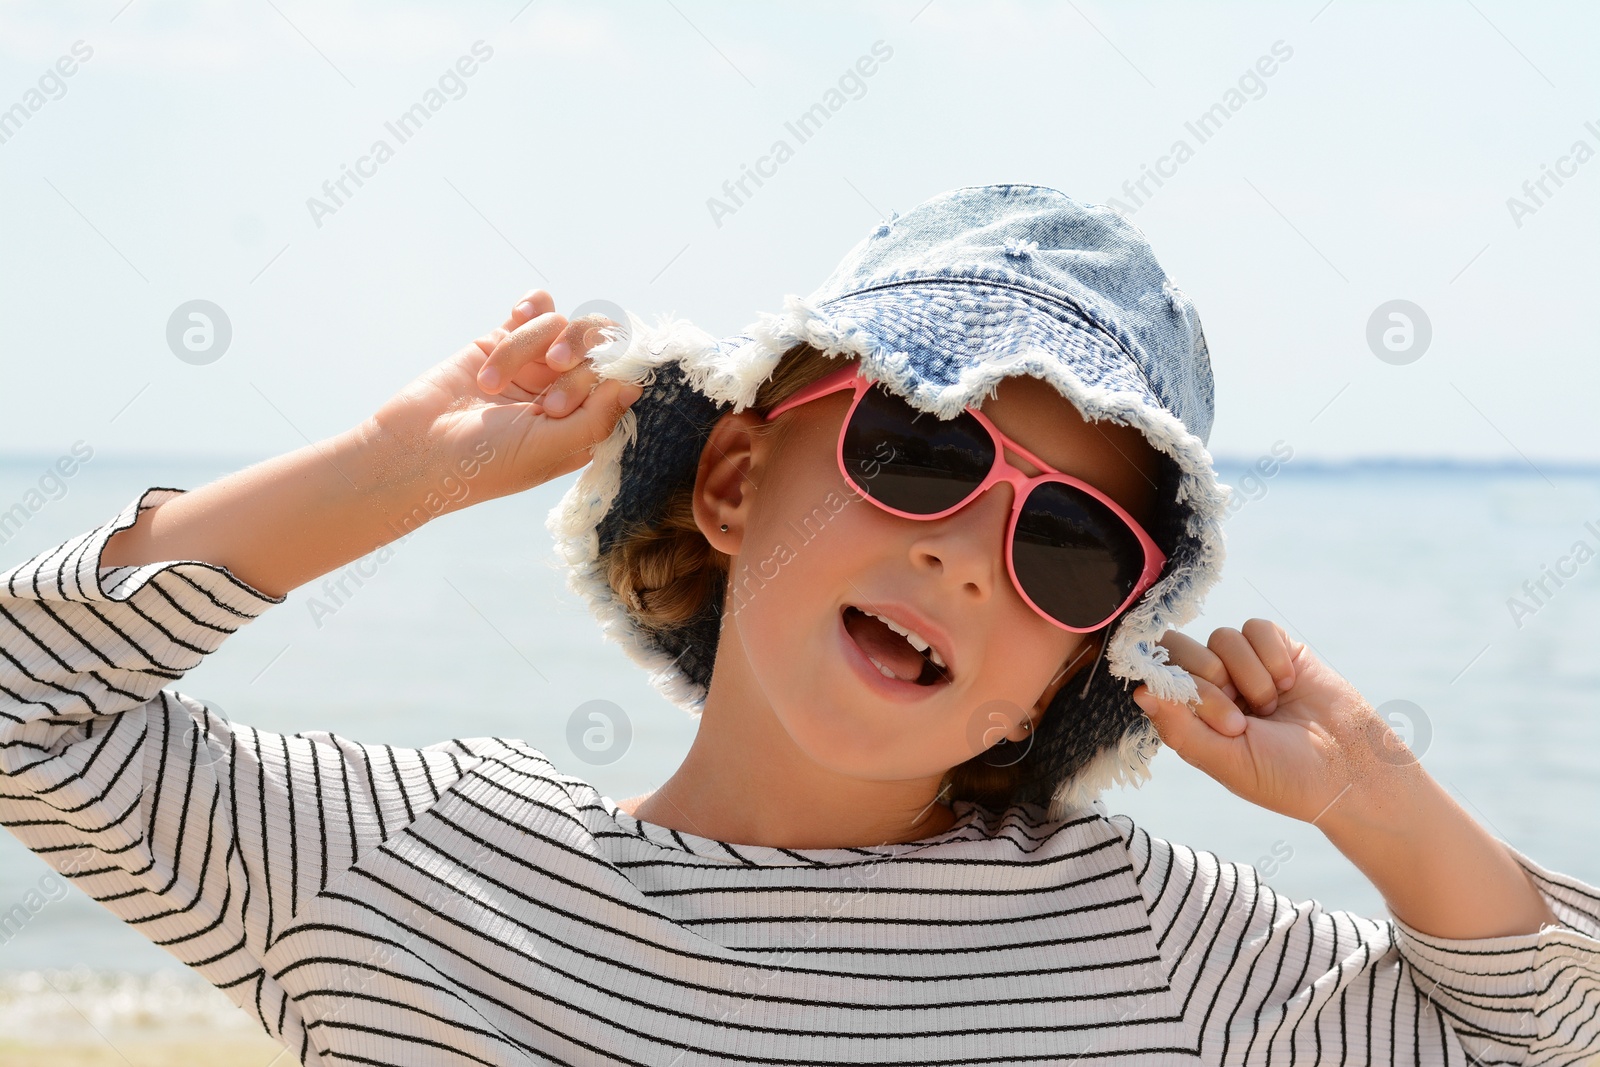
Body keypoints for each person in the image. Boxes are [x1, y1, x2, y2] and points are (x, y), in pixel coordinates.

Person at [2, 184, 1596, 1066]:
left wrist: (1378, 800)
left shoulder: (1160, 951)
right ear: (737, 480)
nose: (976, 556)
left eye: (1064, 542)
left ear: (1067, 668)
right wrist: (384, 477)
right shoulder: (421, 867)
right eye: (921, 452)